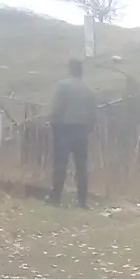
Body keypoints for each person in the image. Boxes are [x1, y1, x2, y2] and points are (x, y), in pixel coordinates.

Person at [47, 59, 97, 207]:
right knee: (81, 167)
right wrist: (87, 129)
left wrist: (53, 124)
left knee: (60, 164)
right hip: (82, 131)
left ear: (70, 70)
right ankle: (82, 200)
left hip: (64, 128)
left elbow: (57, 109)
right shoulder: (89, 90)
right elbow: (93, 114)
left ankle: (56, 197)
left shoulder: (63, 86)